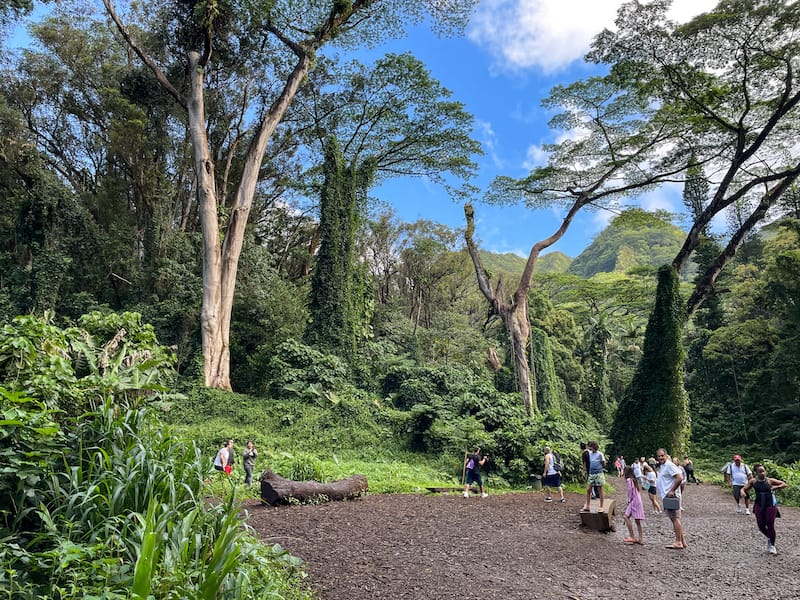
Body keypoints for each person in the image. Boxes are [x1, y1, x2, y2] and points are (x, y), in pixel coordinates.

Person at [740, 464, 787, 555]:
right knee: (761, 525)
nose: (762, 473)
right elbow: (744, 488)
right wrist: (742, 492)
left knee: (770, 523)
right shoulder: (753, 481)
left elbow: (784, 484)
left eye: (763, 471)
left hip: (770, 504)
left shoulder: (770, 481)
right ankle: (770, 537)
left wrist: (776, 487)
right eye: (760, 471)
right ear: (756, 473)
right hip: (759, 504)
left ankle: (772, 545)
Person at [656, 448, 686, 549]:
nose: (660, 457)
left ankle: (678, 542)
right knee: (674, 518)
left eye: (662, 455)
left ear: (666, 455)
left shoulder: (669, 465)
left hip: (671, 496)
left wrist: (672, 490)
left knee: (675, 518)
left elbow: (680, 477)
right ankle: (682, 541)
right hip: (667, 496)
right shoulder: (664, 466)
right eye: (659, 456)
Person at [622, 465, 645, 544]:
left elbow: (629, 492)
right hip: (638, 500)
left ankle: (632, 536)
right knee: (637, 520)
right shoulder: (634, 479)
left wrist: (628, 501)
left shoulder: (629, 480)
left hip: (633, 501)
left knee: (626, 517)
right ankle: (641, 539)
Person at [581, 441, 606, 512]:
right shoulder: (589, 453)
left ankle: (601, 507)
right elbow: (586, 458)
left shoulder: (600, 454)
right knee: (588, 489)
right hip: (591, 474)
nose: (589, 448)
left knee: (600, 489)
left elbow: (604, 463)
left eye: (590, 447)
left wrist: (601, 465)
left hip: (598, 473)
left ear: (594, 447)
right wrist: (585, 471)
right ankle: (588, 506)